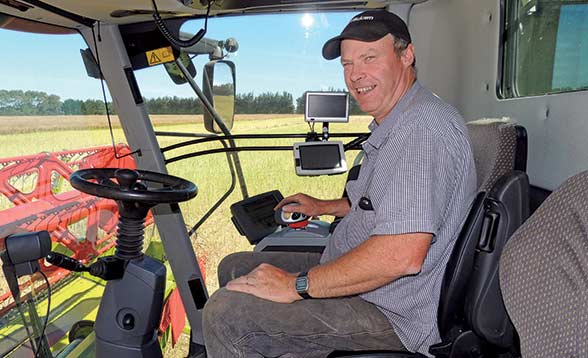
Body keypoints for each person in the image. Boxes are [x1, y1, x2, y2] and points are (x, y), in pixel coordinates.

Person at [202, 9, 477, 357]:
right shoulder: (400, 120)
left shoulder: (419, 130)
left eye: (369, 58)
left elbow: (401, 256)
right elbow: (383, 200)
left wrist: (297, 285)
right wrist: (323, 207)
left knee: (227, 314)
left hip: (391, 312)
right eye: (347, 64)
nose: (355, 75)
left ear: (406, 55)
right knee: (236, 266)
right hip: (369, 283)